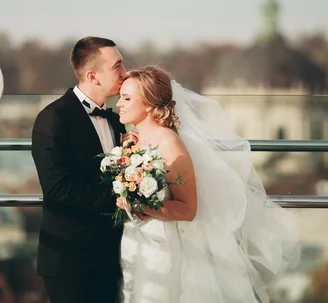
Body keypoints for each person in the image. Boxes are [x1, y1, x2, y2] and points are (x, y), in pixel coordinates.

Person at [116, 66, 300, 303]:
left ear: (150, 104)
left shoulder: (169, 143)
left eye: (127, 98)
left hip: (159, 246)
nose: (119, 103)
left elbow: (188, 209)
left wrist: (141, 207)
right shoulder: (133, 139)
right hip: (132, 243)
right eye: (120, 96)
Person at [31, 36, 128, 303]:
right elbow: (58, 188)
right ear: (93, 76)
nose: (125, 73)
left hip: (113, 256)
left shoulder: (118, 120)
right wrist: (122, 200)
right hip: (70, 259)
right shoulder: (53, 118)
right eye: (117, 66)